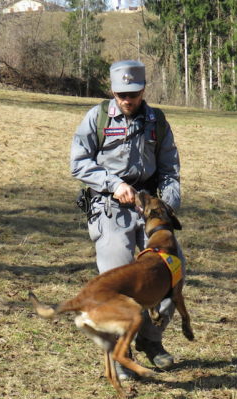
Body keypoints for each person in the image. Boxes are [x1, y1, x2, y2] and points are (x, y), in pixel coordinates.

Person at [70, 60, 185, 380]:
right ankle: (121, 352)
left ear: (143, 89)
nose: (127, 99)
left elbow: (170, 171)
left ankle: (152, 340)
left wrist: (166, 206)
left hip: (148, 209)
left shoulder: (156, 121)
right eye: (121, 93)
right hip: (109, 207)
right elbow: (78, 164)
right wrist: (113, 183)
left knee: (173, 273)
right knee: (117, 277)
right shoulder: (97, 118)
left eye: (133, 93)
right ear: (112, 90)